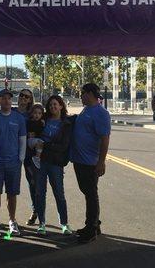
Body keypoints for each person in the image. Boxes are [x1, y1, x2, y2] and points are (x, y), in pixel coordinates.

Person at [0, 89, 27, 237]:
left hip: (13, 163)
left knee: (12, 193)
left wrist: (20, 159)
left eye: (9, 98)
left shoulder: (18, 118)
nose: (7, 101)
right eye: (4, 98)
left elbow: (22, 140)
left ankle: (12, 221)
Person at [70, 83, 111, 243]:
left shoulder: (101, 113)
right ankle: (95, 224)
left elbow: (105, 138)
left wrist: (101, 162)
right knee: (88, 192)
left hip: (90, 162)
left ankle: (91, 229)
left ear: (89, 94)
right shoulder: (87, 109)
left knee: (91, 194)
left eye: (82, 93)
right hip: (80, 159)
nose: (80, 96)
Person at [34, 95, 74, 236]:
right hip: (40, 162)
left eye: (55, 104)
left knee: (59, 193)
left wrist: (46, 144)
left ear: (61, 106)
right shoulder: (43, 120)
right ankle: (42, 224)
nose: (53, 107)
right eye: (50, 105)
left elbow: (63, 146)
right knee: (40, 194)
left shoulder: (66, 124)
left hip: (55, 163)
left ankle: (64, 223)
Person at [13, 89, 39, 226]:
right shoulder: (12, 111)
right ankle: (10, 217)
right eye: (21, 95)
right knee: (11, 185)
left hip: (29, 152)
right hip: (12, 151)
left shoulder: (33, 114)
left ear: (30, 99)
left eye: (27, 96)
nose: (23, 98)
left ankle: (36, 210)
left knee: (32, 182)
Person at [26, 104, 45, 169]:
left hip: (35, 141)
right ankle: (37, 157)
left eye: (39, 113)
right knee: (40, 142)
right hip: (30, 141)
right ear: (32, 113)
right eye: (35, 113)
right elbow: (35, 131)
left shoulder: (41, 122)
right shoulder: (30, 122)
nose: (37, 115)